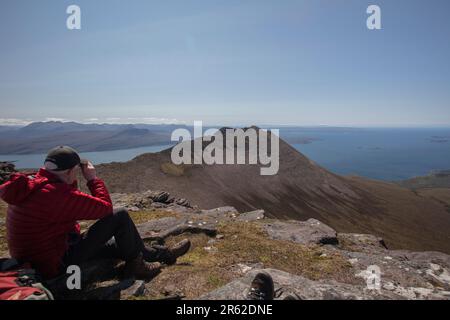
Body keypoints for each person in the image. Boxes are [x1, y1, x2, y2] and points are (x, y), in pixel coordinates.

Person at [0, 146, 191, 280]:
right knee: (120, 216)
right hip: (53, 263)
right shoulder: (55, 193)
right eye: (75, 172)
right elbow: (105, 209)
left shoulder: (35, 183)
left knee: (119, 243)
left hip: (43, 253)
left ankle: (162, 255)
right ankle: (136, 268)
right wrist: (92, 179)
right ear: (70, 171)